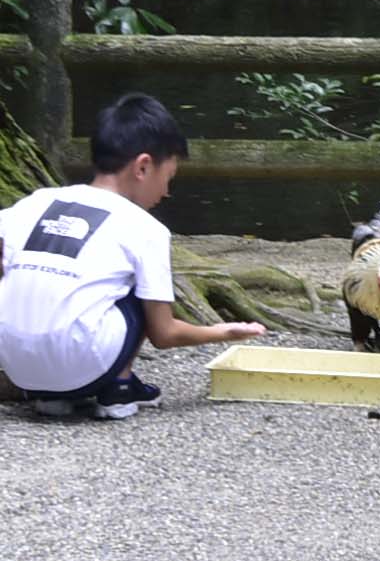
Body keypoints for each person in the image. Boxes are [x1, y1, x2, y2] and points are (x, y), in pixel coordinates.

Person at [0, 94, 266, 419]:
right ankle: (119, 389)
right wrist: (223, 332)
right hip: (83, 363)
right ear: (142, 167)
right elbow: (163, 334)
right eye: (167, 178)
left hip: (17, 367)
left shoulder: (35, 202)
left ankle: (52, 397)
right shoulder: (145, 228)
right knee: (138, 289)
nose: (166, 192)